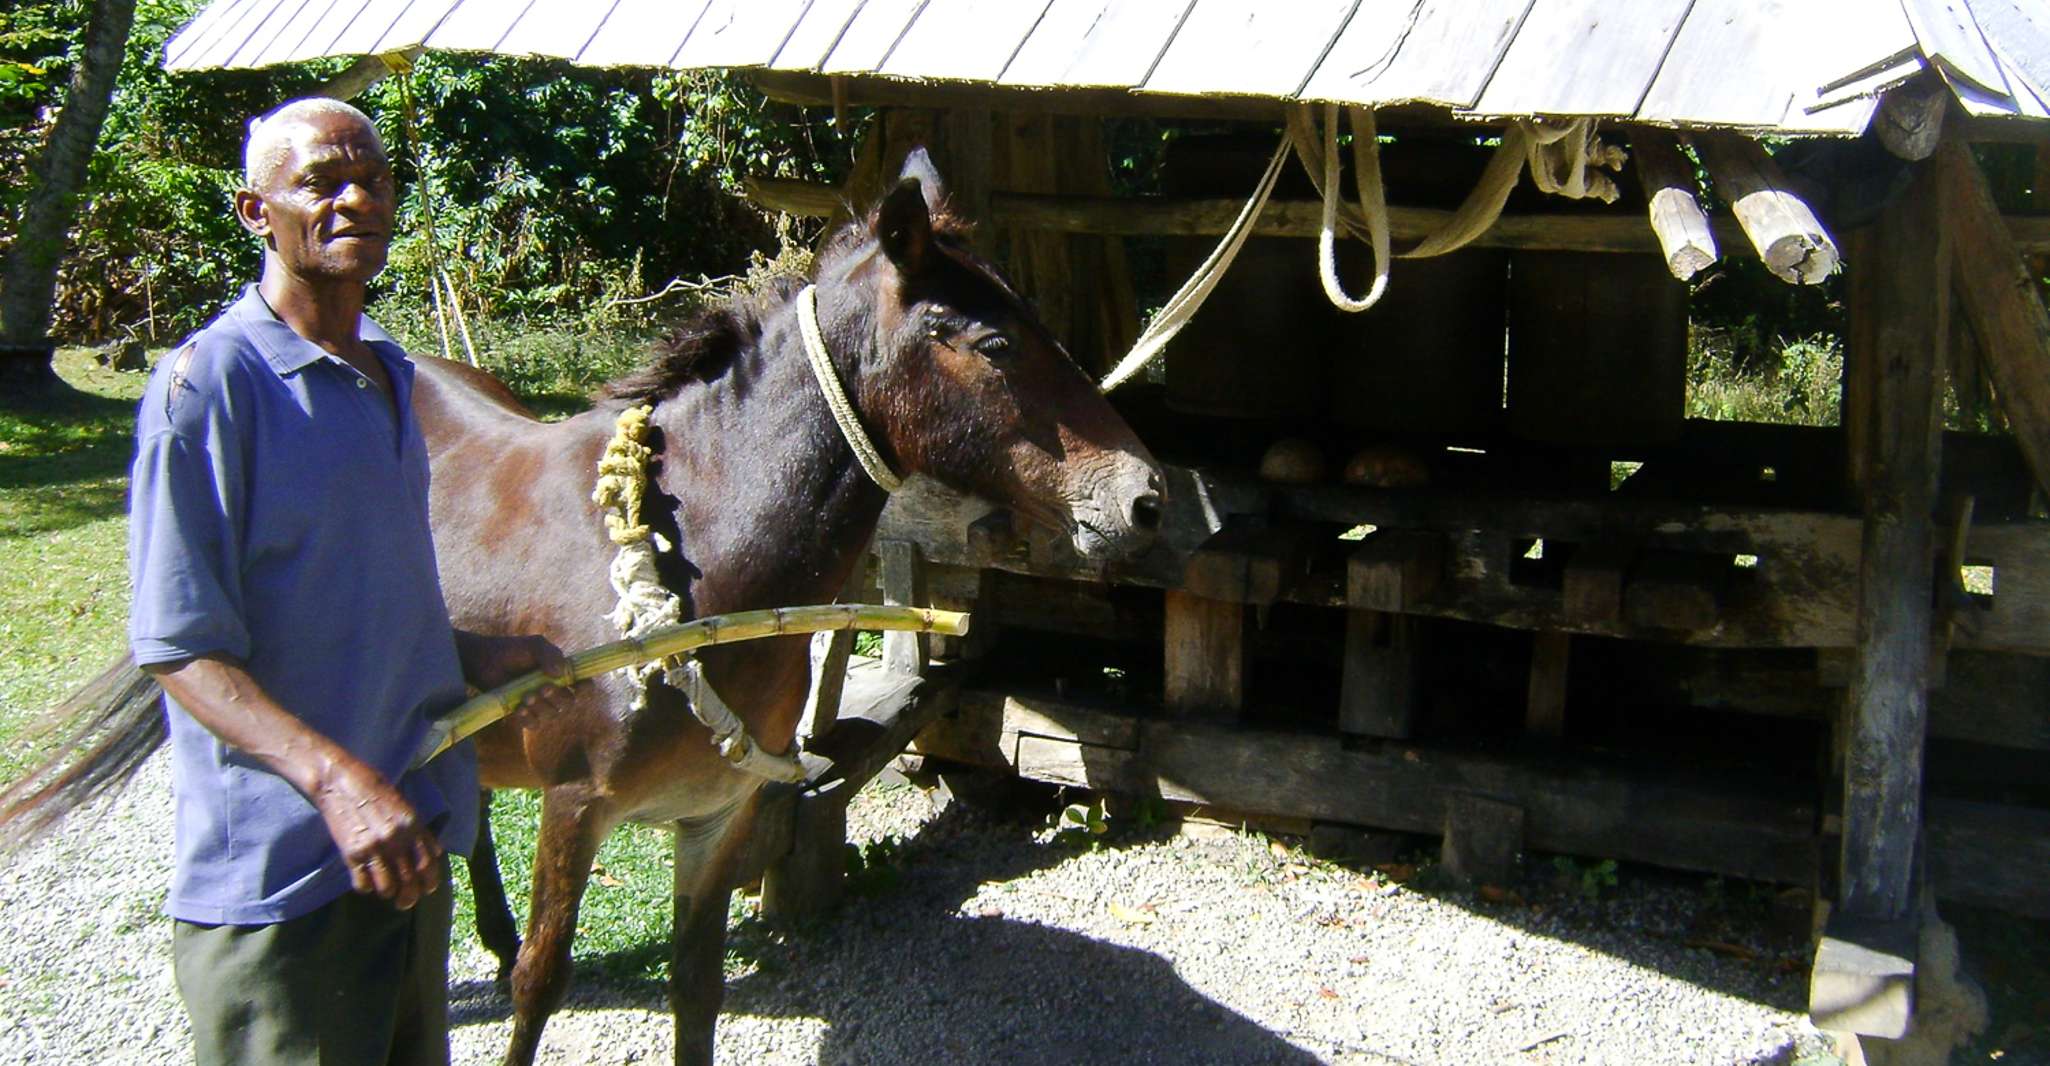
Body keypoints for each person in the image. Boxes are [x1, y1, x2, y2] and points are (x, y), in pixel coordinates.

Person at [127, 96, 569, 1065]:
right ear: (256, 213)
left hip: (402, 865)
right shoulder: (209, 389)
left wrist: (487, 655)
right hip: (286, 892)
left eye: (372, 177)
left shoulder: (387, 380)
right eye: (321, 181)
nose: (354, 197)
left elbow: (360, 601)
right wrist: (338, 783)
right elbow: (179, 645)